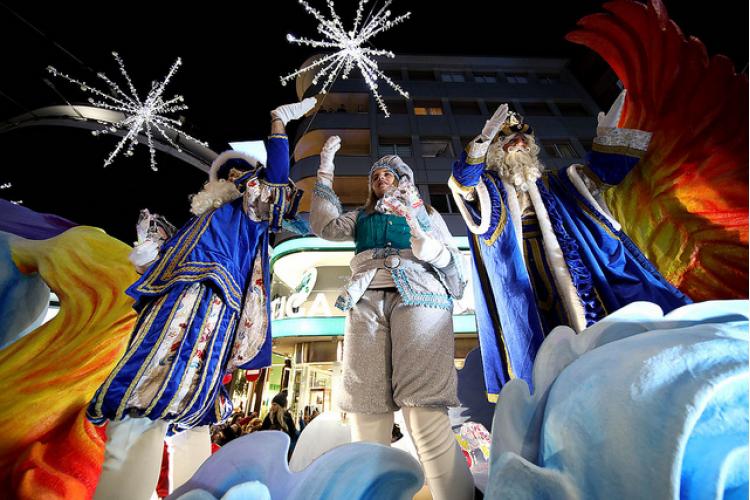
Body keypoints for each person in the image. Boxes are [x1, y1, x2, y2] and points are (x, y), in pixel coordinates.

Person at [86, 97, 316, 500]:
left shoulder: (248, 209)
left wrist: (279, 125)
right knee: (154, 400)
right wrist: (147, 257)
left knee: (171, 397)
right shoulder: (197, 221)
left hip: (208, 300)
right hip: (169, 301)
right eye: (226, 173)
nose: (233, 176)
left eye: (240, 172)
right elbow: (160, 261)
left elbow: (277, 181)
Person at [448, 91, 692, 401]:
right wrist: (482, 140)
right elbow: (463, 182)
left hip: (564, 263)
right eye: (510, 140)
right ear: (498, 150)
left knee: (581, 325)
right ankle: (549, 402)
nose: (519, 144)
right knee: (534, 337)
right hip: (518, 269)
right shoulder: (489, 188)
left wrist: (609, 137)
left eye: (524, 140)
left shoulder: (557, 182)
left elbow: (603, 174)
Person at [310, 138, 474, 500]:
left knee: (423, 409)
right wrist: (325, 170)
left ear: (403, 180)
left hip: (422, 295)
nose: (381, 179)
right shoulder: (360, 216)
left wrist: (432, 250)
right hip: (365, 299)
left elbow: (456, 270)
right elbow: (324, 227)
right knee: (366, 409)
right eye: (376, 177)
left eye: (388, 174)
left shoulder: (425, 213)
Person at [261, 393, 298, 458]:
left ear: (280, 406)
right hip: (269, 448)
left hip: (283, 450)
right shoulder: (269, 416)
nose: (272, 407)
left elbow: (293, 432)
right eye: (272, 404)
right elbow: (262, 430)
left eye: (274, 404)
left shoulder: (287, 416)